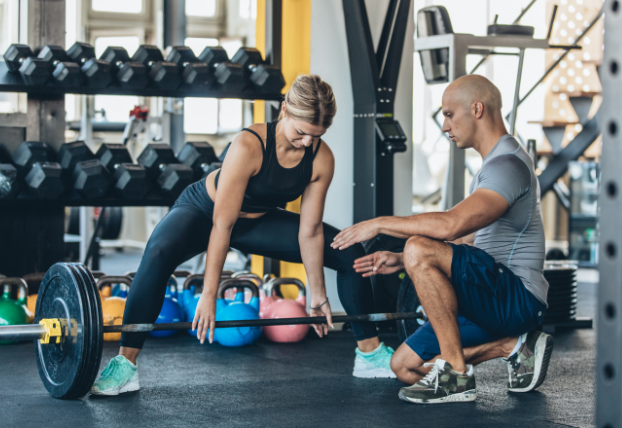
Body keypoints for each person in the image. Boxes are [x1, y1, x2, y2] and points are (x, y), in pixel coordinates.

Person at [91, 75, 396, 396]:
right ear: (284, 111)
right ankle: (126, 365)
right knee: (157, 254)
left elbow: (310, 231)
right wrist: (209, 295)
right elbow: (222, 225)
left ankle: (370, 354)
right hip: (203, 212)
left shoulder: (321, 158)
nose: (307, 142)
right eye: (301, 132)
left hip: (257, 221)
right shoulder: (249, 144)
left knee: (351, 252)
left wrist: (318, 294)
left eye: (316, 135)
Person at [332, 74, 553, 404]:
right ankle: (511, 346)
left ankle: (457, 374)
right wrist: (401, 260)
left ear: (477, 109)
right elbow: (468, 240)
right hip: (489, 295)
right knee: (404, 366)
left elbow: (451, 225)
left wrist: (379, 225)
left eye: (449, 114)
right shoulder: (490, 169)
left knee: (418, 247)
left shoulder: (508, 165)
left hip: (516, 298)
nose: (445, 126)